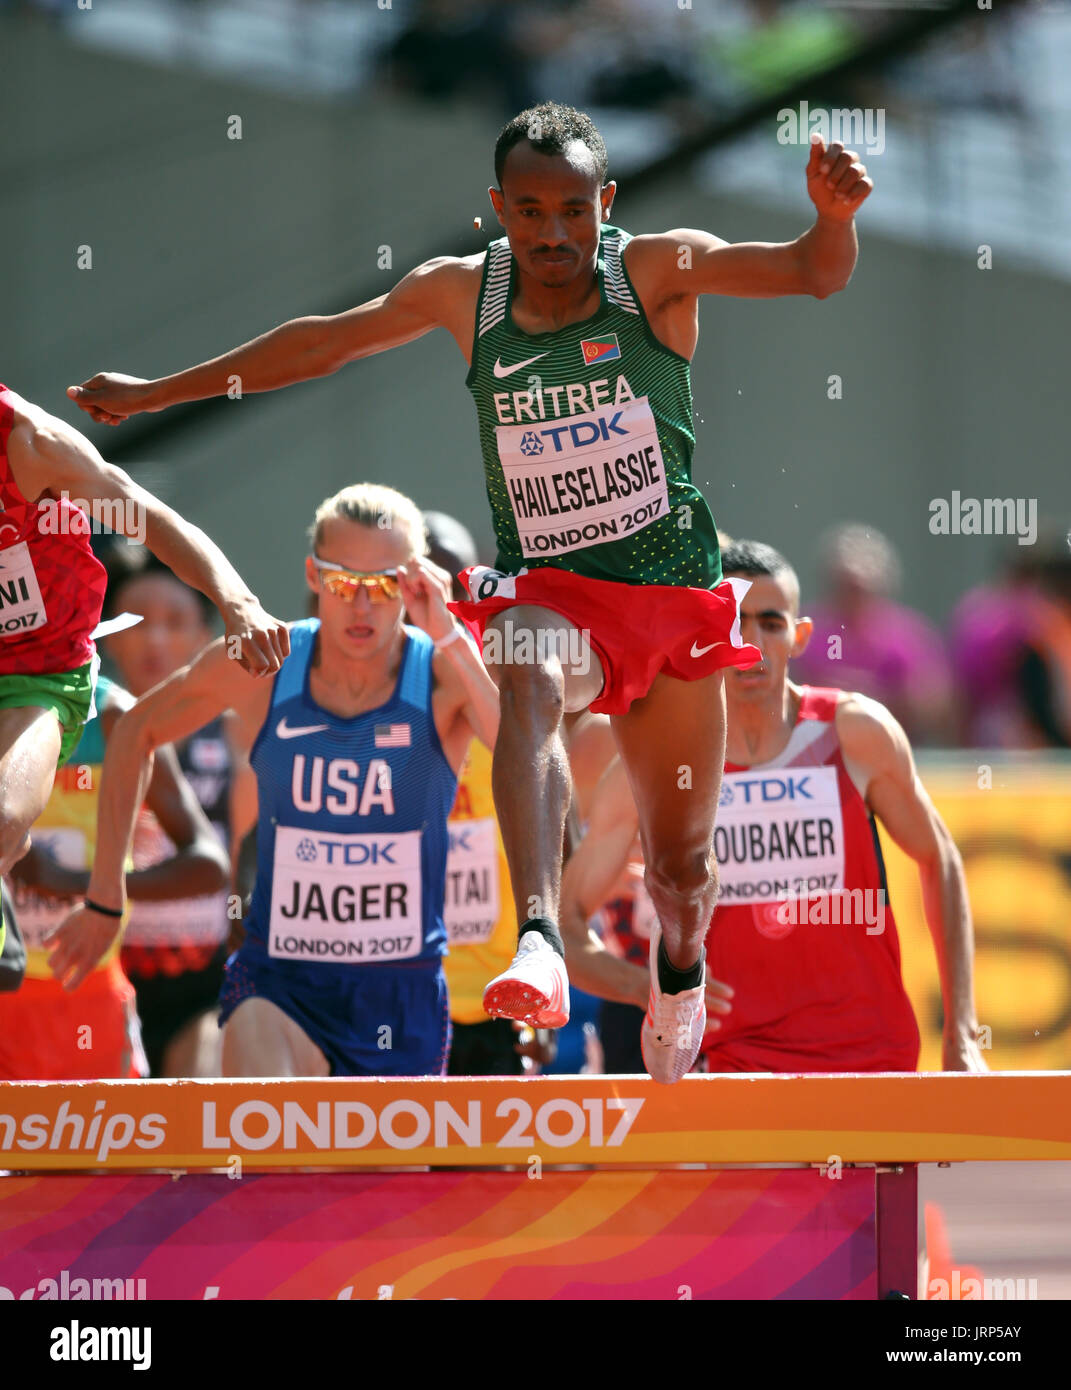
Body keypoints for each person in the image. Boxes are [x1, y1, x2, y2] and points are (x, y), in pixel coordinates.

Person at [67, 101, 872, 1081]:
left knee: (681, 867)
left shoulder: (655, 272)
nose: (552, 234)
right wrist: (157, 393)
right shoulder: (465, 294)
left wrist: (833, 221)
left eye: (573, 210)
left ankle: (681, 966)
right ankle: (540, 936)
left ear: (604, 204)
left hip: (671, 606)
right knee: (525, 665)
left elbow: (809, 272)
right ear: (498, 208)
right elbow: (322, 342)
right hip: (561, 598)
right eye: (529, 211)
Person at [49, 484, 500, 1078]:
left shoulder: (442, 674)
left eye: (385, 585)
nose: (362, 607)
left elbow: (524, 755)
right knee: (266, 1149)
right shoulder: (266, 662)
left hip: (399, 988)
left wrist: (450, 635)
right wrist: (107, 894)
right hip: (280, 978)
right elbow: (134, 730)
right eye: (344, 583)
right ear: (313, 575)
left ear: (415, 583)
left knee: (375, 1175)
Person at [560, 540, 987, 1074]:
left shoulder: (854, 731)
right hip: (729, 1067)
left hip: (870, 1058)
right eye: (733, 621)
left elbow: (940, 859)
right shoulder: (657, 767)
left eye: (770, 621)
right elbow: (567, 924)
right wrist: (656, 988)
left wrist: (962, 1033)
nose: (752, 643)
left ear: (800, 634)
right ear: (703, 630)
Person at [0, 383, 286, 967]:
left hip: (40, 676)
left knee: (2, 818)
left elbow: (146, 515)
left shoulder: (30, 443)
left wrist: (237, 603)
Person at [0, 672, 228, 1079]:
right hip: (8, 997)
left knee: (98, 1143)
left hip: (88, 1001)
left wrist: (70, 881)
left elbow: (209, 865)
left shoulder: (115, 716)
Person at [100, 546, 255, 1077]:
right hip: (103, 972)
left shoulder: (235, 733)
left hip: (205, 981)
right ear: (106, 634)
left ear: (204, 633)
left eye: (175, 621)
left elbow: (248, 853)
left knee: (196, 1108)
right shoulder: (73, 735)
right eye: (136, 623)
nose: (156, 640)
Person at [423, 510, 554, 1076]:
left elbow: (557, 843)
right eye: (415, 581)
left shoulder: (513, 690)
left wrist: (549, 972)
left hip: (499, 1001)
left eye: (452, 585)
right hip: (396, 989)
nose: (431, 601)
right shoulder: (355, 702)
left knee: (499, 1162)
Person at [792, 522, 955, 746]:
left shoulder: (908, 636)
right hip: (815, 750)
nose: (852, 598)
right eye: (844, 586)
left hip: (891, 749)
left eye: (860, 589)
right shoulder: (804, 629)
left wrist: (875, 698)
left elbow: (936, 704)